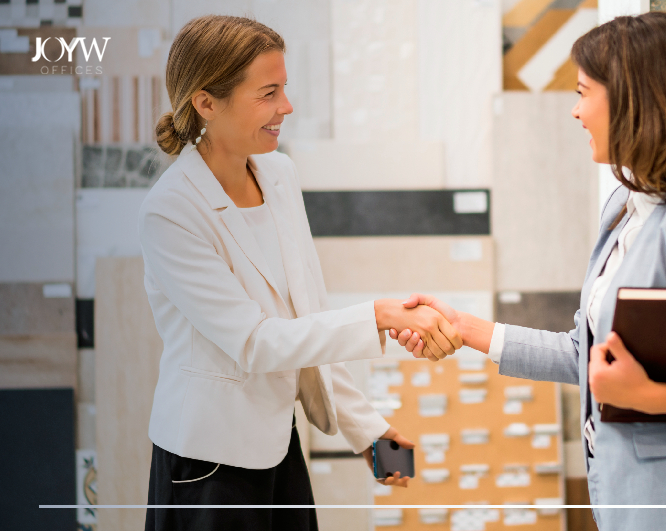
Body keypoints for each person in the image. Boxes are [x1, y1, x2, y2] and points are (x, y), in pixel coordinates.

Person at [390, 12, 666, 530]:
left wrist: (655, 398)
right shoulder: (623, 208)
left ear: (636, 101)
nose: (575, 110)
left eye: (584, 91)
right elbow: (587, 355)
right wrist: (467, 328)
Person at [140, 15, 461, 531]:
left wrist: (368, 432)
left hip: (276, 445)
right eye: (268, 93)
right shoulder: (171, 211)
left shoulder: (279, 175)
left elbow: (306, 318)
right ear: (206, 102)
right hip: (207, 464)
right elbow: (255, 343)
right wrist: (378, 315)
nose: (286, 107)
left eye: (284, 89)